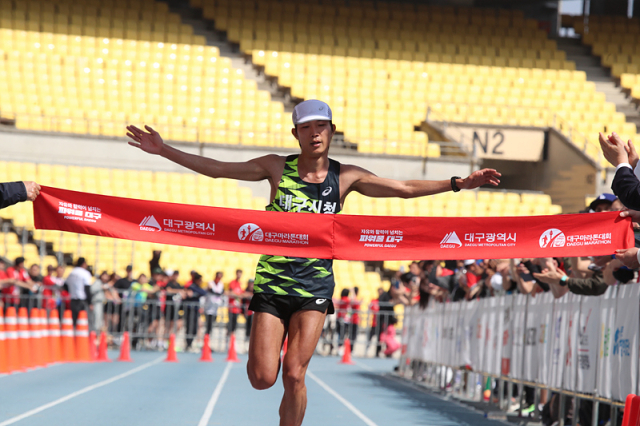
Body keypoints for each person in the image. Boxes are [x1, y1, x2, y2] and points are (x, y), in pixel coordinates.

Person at [127, 98, 500, 426]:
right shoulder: (275, 168)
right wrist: (165, 151)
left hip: (314, 287)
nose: (314, 133)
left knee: (294, 374)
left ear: (332, 131)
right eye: (306, 127)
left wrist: (459, 182)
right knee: (261, 377)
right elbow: (219, 168)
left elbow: (401, 190)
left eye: (321, 126)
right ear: (296, 134)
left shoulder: (346, 177)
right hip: (273, 283)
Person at [65, 257, 93, 325]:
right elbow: (87, 288)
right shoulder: (85, 273)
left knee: (74, 320)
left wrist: (71, 292)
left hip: (73, 299)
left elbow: (65, 285)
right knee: (83, 320)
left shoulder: (71, 272)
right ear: (83, 264)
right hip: (82, 300)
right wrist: (90, 302)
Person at [183, 272, 206, 352]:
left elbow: (203, 292)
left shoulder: (196, 288)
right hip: (190, 310)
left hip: (196, 310)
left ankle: (190, 343)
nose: (201, 281)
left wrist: (196, 294)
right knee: (189, 327)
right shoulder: (191, 286)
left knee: (195, 328)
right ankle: (188, 344)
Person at [204, 271, 224, 337]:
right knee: (208, 325)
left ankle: (207, 339)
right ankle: (206, 338)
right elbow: (211, 290)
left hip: (215, 308)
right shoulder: (210, 283)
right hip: (208, 307)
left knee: (212, 324)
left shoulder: (221, 284)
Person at [226, 269, 244, 339]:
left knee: (234, 325)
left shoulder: (241, 284)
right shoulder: (232, 283)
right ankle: (227, 338)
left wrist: (238, 295)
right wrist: (238, 295)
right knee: (230, 324)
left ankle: (231, 339)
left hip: (237, 308)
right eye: (238, 273)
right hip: (231, 307)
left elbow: (243, 294)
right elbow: (230, 292)